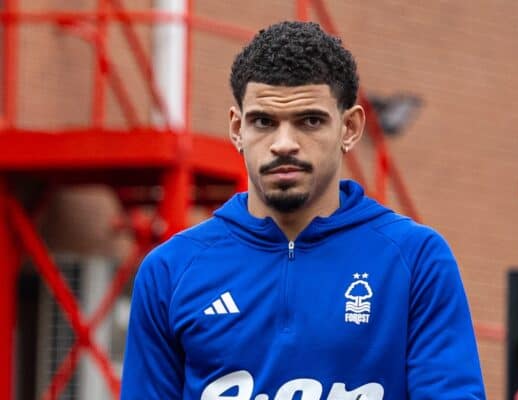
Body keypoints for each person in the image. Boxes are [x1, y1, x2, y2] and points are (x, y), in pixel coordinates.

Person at [121, 21, 486, 400]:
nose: (283, 144)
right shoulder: (170, 271)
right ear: (236, 128)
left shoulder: (416, 260)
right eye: (263, 121)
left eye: (309, 121)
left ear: (350, 127)